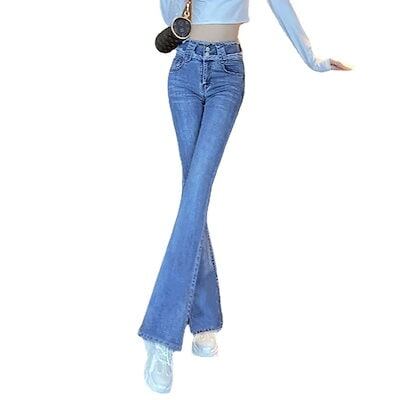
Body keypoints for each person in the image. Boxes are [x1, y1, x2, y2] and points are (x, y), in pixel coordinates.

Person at [138, 0, 351, 393]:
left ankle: (160, 336)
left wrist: (313, 59)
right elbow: (170, 17)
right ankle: (204, 321)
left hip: (226, 73)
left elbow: (280, 5)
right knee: (194, 198)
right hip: (184, 68)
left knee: (195, 194)